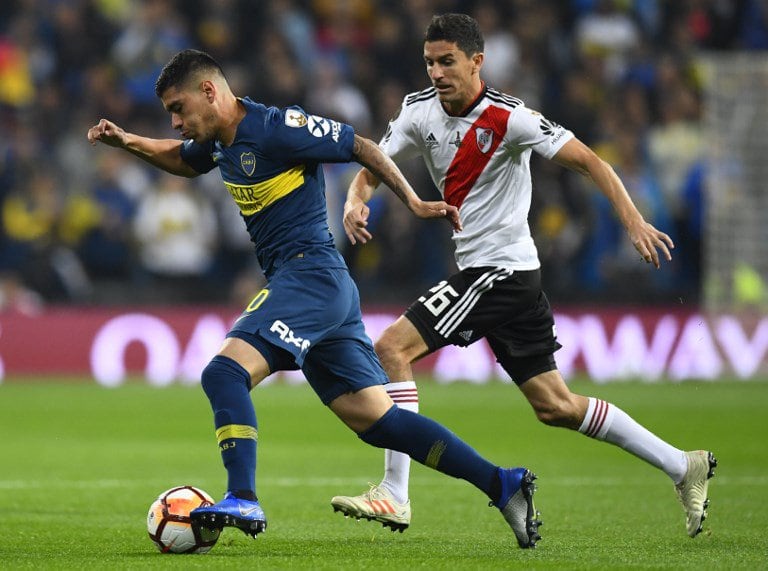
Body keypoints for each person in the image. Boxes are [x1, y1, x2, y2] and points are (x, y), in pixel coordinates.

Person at [87, 49, 542, 548]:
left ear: (209, 92)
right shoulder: (217, 142)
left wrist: (411, 201)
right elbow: (183, 161)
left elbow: (362, 146)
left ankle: (242, 495)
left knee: (223, 372)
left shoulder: (278, 127)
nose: (174, 122)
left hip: (309, 278)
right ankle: (503, 483)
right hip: (322, 289)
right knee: (377, 420)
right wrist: (127, 141)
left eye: (178, 108)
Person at [333, 13, 716, 540]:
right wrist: (356, 200)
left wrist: (632, 219)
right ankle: (681, 464)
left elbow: (592, 163)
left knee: (392, 349)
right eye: (429, 62)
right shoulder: (417, 111)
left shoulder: (511, 119)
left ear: (476, 61)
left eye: (447, 62)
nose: (437, 72)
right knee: (555, 406)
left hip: (503, 272)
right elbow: (374, 160)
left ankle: (395, 495)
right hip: (499, 276)